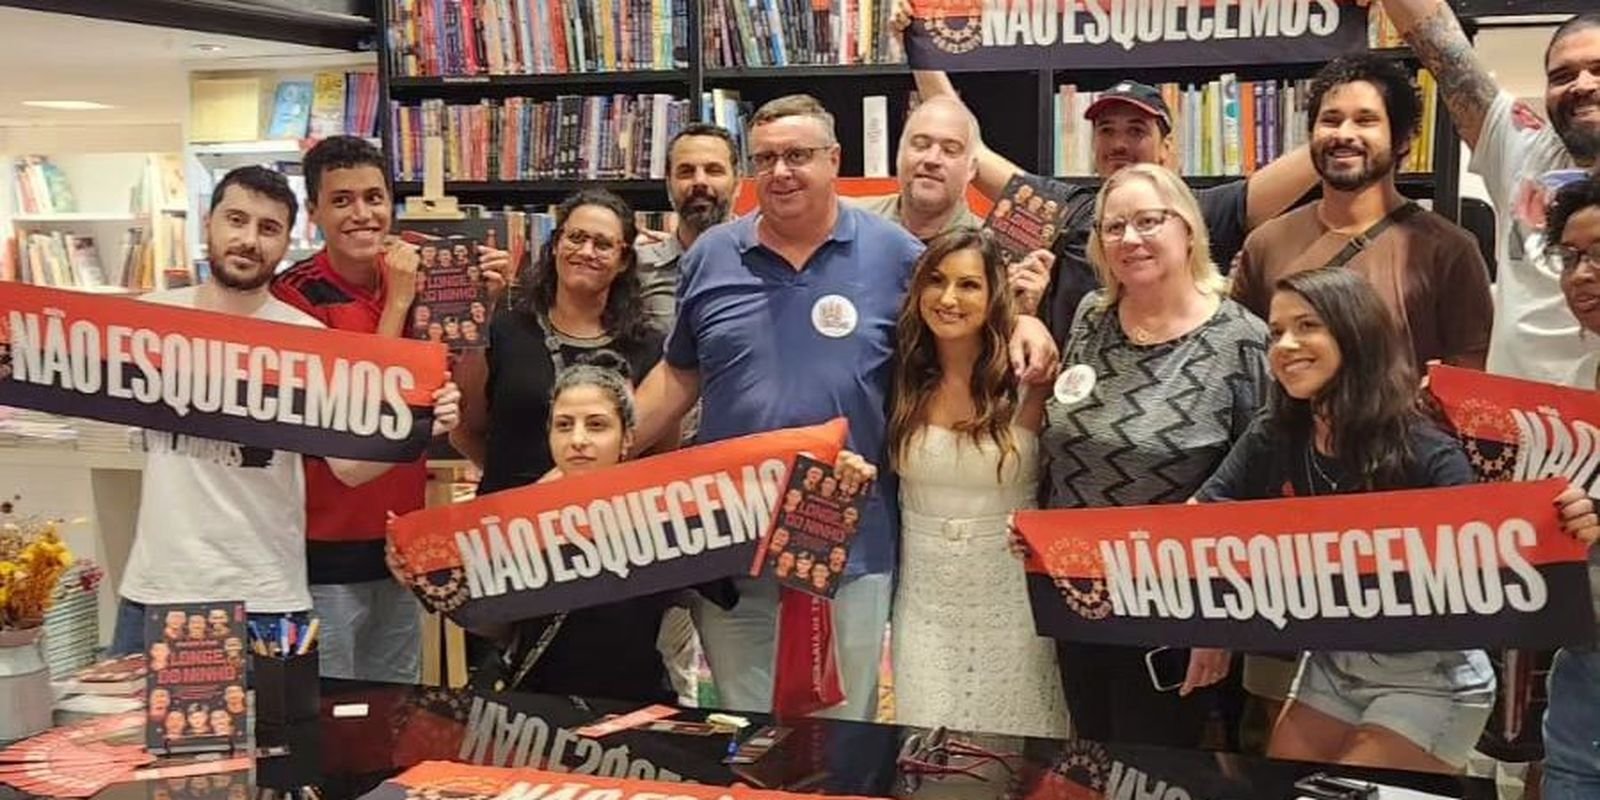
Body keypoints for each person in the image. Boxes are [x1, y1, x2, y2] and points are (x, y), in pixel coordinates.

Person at [630, 94, 1059, 721]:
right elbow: (679, 374)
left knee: (842, 737)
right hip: (733, 542)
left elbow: (955, 332)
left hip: (850, 546)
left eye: (798, 156)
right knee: (743, 730)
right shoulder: (711, 255)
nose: (781, 172)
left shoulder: (897, 255)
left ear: (835, 160)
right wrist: (598, 460)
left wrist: (1024, 320)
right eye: (766, 159)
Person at [1195, 265, 1594, 773]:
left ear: (1355, 334)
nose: (1285, 345)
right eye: (1276, 332)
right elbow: (1196, 522)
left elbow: (1495, 551)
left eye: (1307, 325)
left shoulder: (1423, 448)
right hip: (1330, 662)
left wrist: (1563, 522)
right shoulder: (1273, 432)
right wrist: (1204, 623)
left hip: (1431, 674)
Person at [111, 167, 462, 657]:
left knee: (286, 713)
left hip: (268, 596)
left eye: (269, 228)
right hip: (159, 590)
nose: (249, 240)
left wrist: (421, 424)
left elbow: (349, 467)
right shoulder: (148, 322)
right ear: (209, 221)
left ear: (286, 240)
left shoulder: (307, 341)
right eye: (236, 220)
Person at [1042, 163, 1268, 746]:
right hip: (1078, 593)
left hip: (1174, 608)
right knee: (1091, 760)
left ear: (1188, 229)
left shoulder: (1240, 339)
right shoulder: (1091, 317)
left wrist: (1220, 624)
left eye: (1148, 221)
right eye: (1113, 226)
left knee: (1156, 773)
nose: (1130, 239)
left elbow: (1257, 493)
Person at [270, 136, 507, 684]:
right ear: (314, 213)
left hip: (401, 546)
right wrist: (399, 301)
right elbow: (362, 415)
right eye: (342, 200)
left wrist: (481, 307)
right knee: (325, 706)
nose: (362, 214)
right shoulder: (295, 297)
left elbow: (464, 392)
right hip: (320, 551)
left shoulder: (427, 266)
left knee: (392, 709)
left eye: (374, 198)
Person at [906, 65, 1319, 347]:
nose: (1119, 143)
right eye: (1106, 131)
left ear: (1167, 147)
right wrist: (922, 49)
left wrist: (1345, 117)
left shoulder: (1200, 211)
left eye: (1136, 131)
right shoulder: (1067, 207)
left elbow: (1319, 151)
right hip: (1072, 407)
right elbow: (970, 148)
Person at [887, 228, 1068, 738]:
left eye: (968, 285)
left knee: (1014, 741)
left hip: (1012, 598)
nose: (948, 298)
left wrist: (1029, 319)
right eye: (936, 281)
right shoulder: (900, 374)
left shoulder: (1031, 374)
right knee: (927, 743)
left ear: (994, 294)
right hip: (924, 601)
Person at [1377, 2, 1600, 384]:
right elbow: (1437, 41)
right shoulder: (1525, 151)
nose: (1582, 85)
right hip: (1513, 415)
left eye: (1598, 70)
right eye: (1562, 76)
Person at [1230, 54, 1493, 369]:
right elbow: (1243, 361)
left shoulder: (1449, 249)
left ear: (1403, 140)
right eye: (1330, 120)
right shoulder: (1266, 243)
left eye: (1365, 120)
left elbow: (1469, 370)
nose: (1344, 134)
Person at [491, 353, 675, 702]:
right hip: (535, 706)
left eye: (596, 425)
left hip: (636, 705)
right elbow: (492, 626)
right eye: (564, 425)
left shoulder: (664, 515)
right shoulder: (516, 522)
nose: (577, 439)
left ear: (626, 438)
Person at [855, 95, 1055, 317]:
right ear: (899, 155)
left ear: (972, 169)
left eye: (950, 150)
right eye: (920, 145)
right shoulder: (850, 225)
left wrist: (1021, 314)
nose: (932, 159)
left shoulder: (996, 254)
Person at [1541, 176, 1600, 797]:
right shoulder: (1578, 384)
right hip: (1586, 658)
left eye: (1599, 254)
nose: (1581, 275)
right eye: (1569, 258)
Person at [637, 123, 742, 333]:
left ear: (737, 183)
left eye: (713, 170)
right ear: (669, 185)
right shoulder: (637, 269)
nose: (699, 181)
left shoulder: (767, 264)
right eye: (686, 172)